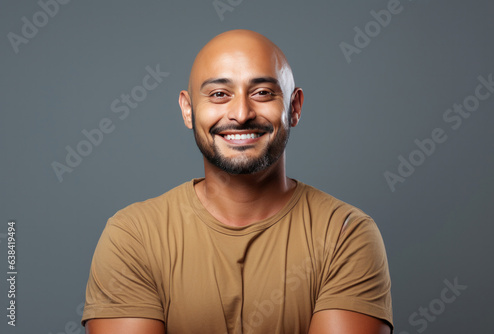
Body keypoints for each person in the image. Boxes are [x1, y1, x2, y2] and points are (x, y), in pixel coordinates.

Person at [82, 29, 393, 334]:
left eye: (262, 93)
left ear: (294, 107)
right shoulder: (133, 238)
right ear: (188, 110)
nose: (242, 113)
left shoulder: (345, 233)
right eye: (219, 94)